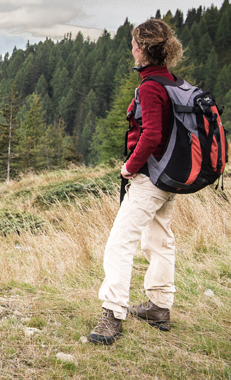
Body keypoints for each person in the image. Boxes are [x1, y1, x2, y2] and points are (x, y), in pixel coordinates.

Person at [88, 18, 183, 345]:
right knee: (159, 238)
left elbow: (152, 133)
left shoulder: (150, 87)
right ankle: (159, 306)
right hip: (172, 176)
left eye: (134, 44)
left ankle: (113, 314)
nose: (132, 48)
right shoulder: (172, 81)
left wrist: (130, 167)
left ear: (142, 49)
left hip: (151, 178)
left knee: (120, 242)